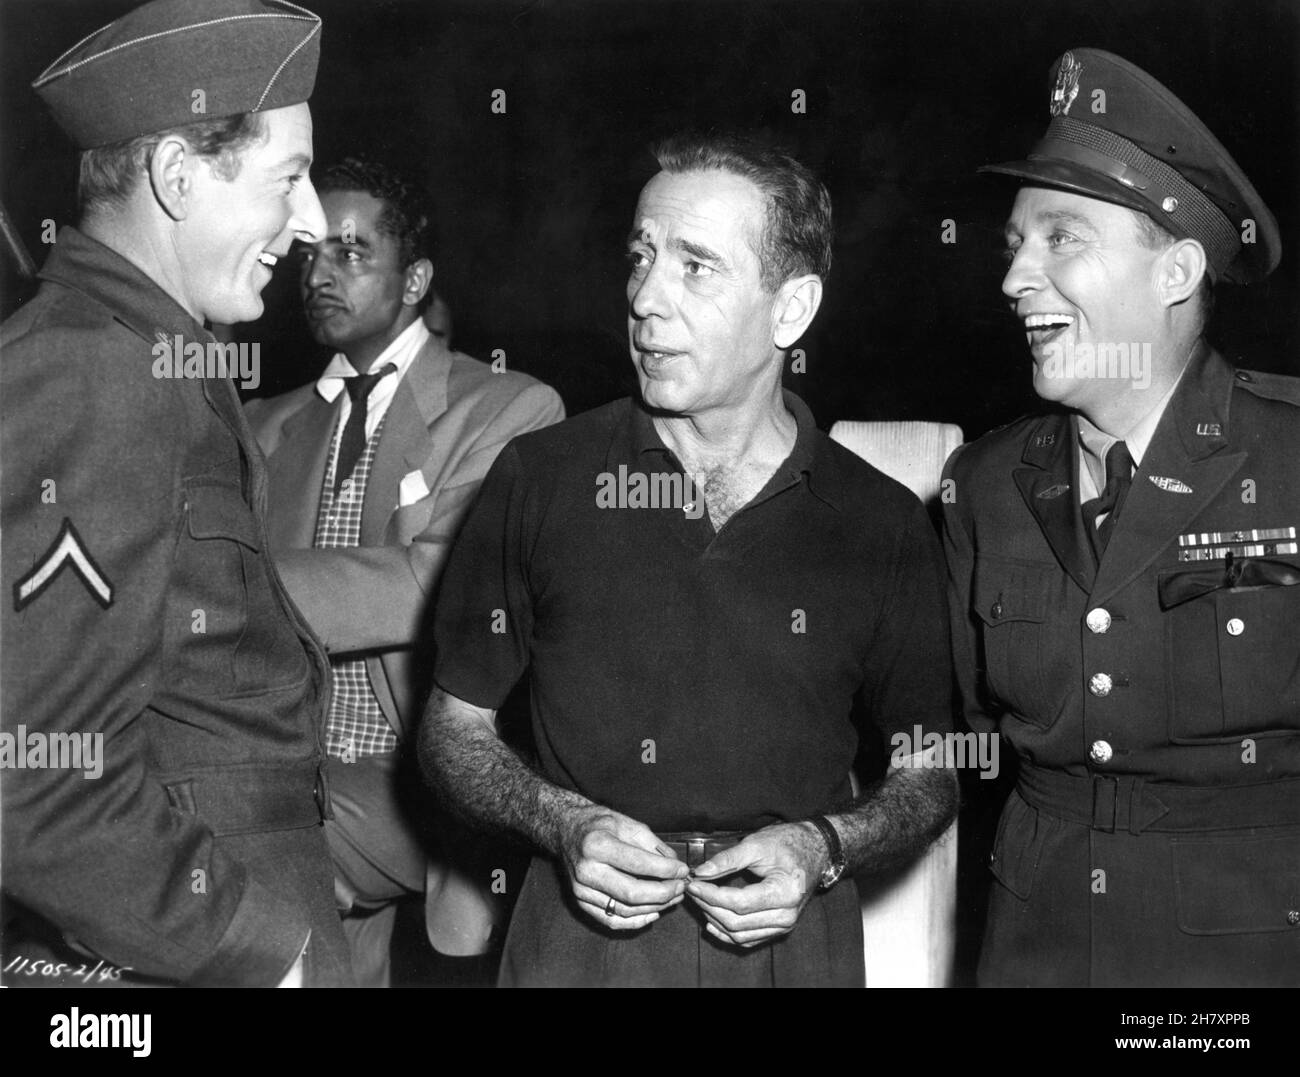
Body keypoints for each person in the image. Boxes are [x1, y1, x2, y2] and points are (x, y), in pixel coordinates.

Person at [418, 133, 958, 987]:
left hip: (794, 948)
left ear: (791, 309)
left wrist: (824, 846)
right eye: (641, 257)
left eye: (695, 267)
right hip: (578, 945)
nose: (644, 299)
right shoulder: (539, 479)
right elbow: (453, 730)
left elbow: (932, 771)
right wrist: (562, 824)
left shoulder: (879, 522)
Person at [0, 0, 351, 987]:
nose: (314, 220)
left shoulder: (150, 359)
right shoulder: (92, 372)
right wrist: (265, 955)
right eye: (291, 177)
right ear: (177, 176)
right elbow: (35, 771)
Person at [944, 47, 1300, 986]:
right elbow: (962, 734)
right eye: (1015, 243)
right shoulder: (982, 483)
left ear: (1178, 269)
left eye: (1062, 237)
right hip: (1030, 941)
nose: (1017, 276)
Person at [244, 158, 564, 986]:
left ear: (415, 278)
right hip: (288, 758)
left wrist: (228, 587)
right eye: (311, 252)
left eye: (351, 253)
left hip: (416, 781)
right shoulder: (261, 425)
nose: (318, 273)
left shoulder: (509, 407)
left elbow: (438, 579)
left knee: (213, 832)